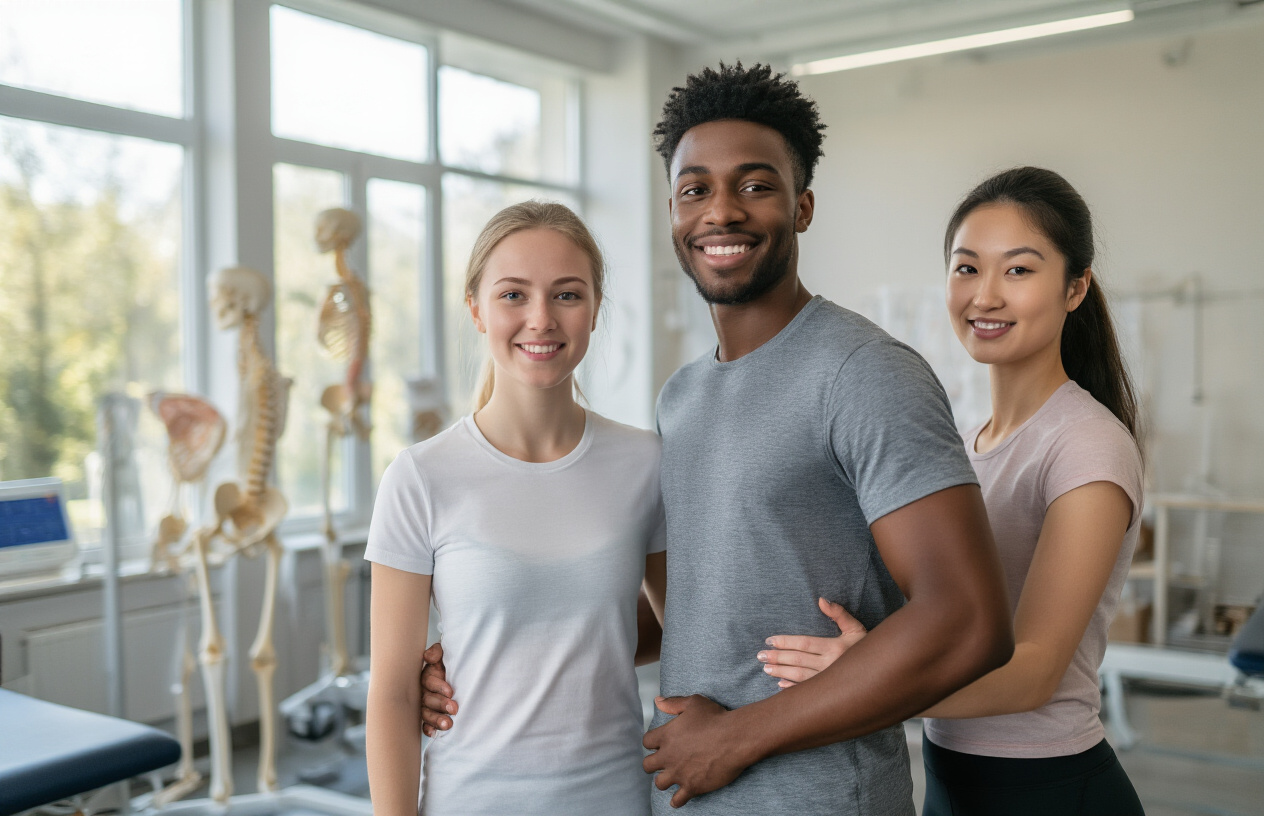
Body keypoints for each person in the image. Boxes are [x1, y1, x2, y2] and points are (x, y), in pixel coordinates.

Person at [419, 63, 1015, 815]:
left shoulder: (864, 374)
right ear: (672, 211)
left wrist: (735, 738)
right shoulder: (685, 397)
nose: (721, 211)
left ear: (801, 207)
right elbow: (701, 604)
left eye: (756, 185)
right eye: (695, 189)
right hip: (693, 795)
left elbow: (969, 621)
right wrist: (481, 652)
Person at [759, 167, 1147, 815]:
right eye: (967, 268)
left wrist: (866, 682)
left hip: (1047, 789)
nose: (986, 296)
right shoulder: (965, 444)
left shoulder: (1086, 444)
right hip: (950, 780)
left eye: (1018, 271)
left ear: (1074, 287)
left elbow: (1034, 673)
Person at [363, 201, 669, 816]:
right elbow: (394, 692)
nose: (541, 319)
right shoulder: (420, 477)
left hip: (614, 797)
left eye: (567, 295)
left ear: (595, 309)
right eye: (512, 295)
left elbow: (685, 627)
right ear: (475, 307)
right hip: (469, 798)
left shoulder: (648, 463)